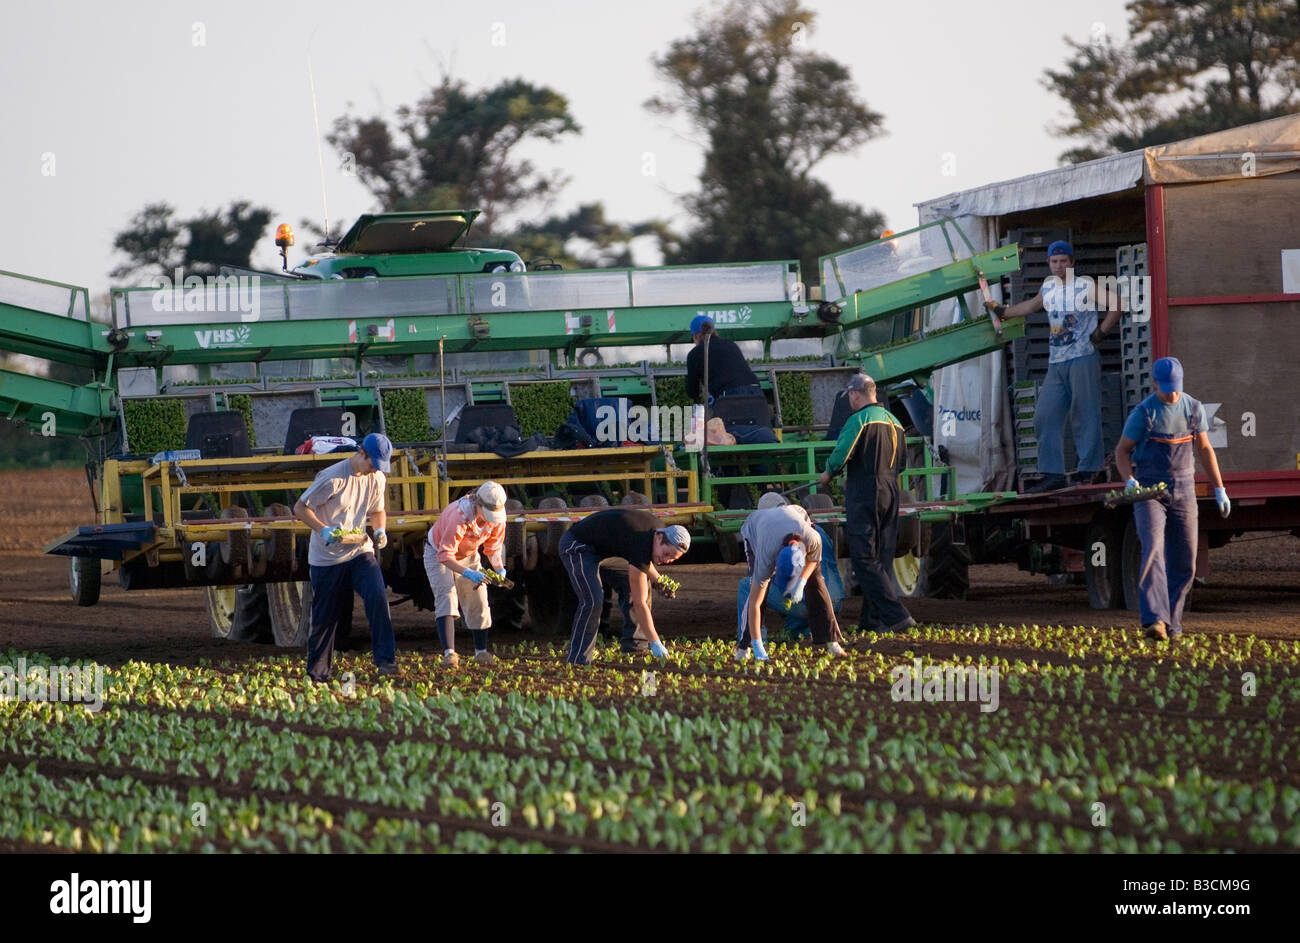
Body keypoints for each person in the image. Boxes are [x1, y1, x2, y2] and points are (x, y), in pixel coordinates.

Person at [985, 240, 1120, 492]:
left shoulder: (1085, 286)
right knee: (1044, 416)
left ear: (1072, 263)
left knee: (1085, 414)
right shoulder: (1048, 286)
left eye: (1063, 261)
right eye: (1054, 261)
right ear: (1048, 263)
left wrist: (1100, 333)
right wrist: (1003, 310)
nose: (1058, 266)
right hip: (1057, 362)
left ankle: (1089, 470)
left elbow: (1117, 304)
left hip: (1083, 358)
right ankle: (1053, 473)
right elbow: (1031, 306)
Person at [1115, 357, 1230, 642]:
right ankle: (1154, 620)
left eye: (1176, 388)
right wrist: (1130, 480)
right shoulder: (1143, 414)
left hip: (1184, 489)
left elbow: (1204, 448)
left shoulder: (1192, 408)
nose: (1172, 394)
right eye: (1166, 389)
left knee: (1186, 562)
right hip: (1149, 490)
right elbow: (1122, 451)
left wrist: (1219, 488)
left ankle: (1173, 625)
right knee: (1153, 547)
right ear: (1155, 384)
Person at [293, 432, 399, 682]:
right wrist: (323, 530)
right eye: (373, 463)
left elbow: (377, 509)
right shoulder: (332, 477)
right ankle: (317, 673)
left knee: (377, 597)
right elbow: (300, 508)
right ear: (361, 453)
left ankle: (386, 661)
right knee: (325, 618)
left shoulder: (377, 478)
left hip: (359, 550)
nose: (375, 470)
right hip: (327, 558)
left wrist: (380, 529)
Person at [818, 373, 915, 633]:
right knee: (881, 558)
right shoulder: (896, 422)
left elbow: (842, 453)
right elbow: (903, 463)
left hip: (866, 490)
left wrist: (827, 474)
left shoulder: (858, 420)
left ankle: (897, 615)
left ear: (855, 394)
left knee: (863, 557)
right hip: (892, 488)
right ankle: (871, 622)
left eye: (849, 395)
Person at [558, 508, 689, 665]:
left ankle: (636, 647)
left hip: (603, 551)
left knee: (636, 584)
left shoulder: (656, 532)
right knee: (593, 599)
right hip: (577, 545)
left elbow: (643, 563)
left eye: (672, 559)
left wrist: (659, 580)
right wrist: (655, 641)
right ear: (660, 537)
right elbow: (640, 603)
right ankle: (578, 660)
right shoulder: (642, 541)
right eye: (666, 554)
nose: (666, 560)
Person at [736, 499, 846, 661]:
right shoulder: (766, 556)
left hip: (795, 516)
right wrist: (757, 644)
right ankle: (745, 647)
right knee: (756, 591)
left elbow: (813, 562)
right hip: (755, 529)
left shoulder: (813, 538)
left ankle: (833, 643)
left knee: (816, 582)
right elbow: (755, 603)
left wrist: (801, 582)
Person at [424, 481, 508, 667]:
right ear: (478, 504)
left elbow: (493, 547)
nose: (489, 519)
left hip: (468, 555)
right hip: (439, 553)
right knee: (447, 596)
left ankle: (481, 651)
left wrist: (499, 568)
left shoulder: (497, 520)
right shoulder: (459, 516)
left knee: (478, 597)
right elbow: (445, 555)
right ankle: (450, 654)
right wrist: (467, 573)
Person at [685, 315, 762, 403]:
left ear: (695, 336)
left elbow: (692, 392)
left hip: (729, 396)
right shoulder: (730, 344)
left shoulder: (694, 354)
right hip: (756, 391)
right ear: (713, 330)